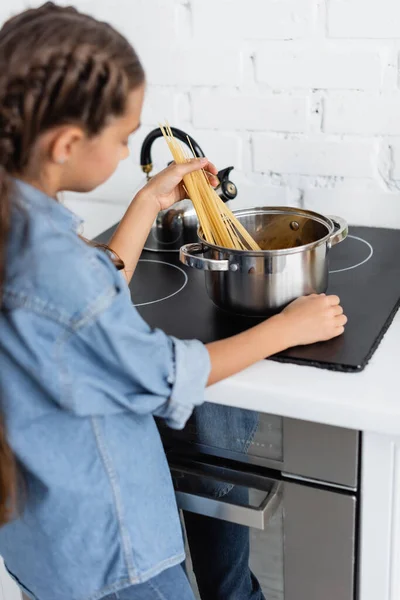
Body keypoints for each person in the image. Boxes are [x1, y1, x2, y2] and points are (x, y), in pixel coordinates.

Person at [0, 4, 347, 600]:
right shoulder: (55, 269)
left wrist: (146, 203)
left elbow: (91, 279)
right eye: (123, 138)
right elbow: (167, 375)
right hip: (118, 559)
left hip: (45, 546)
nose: (127, 148)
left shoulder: (24, 232)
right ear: (66, 143)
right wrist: (287, 327)